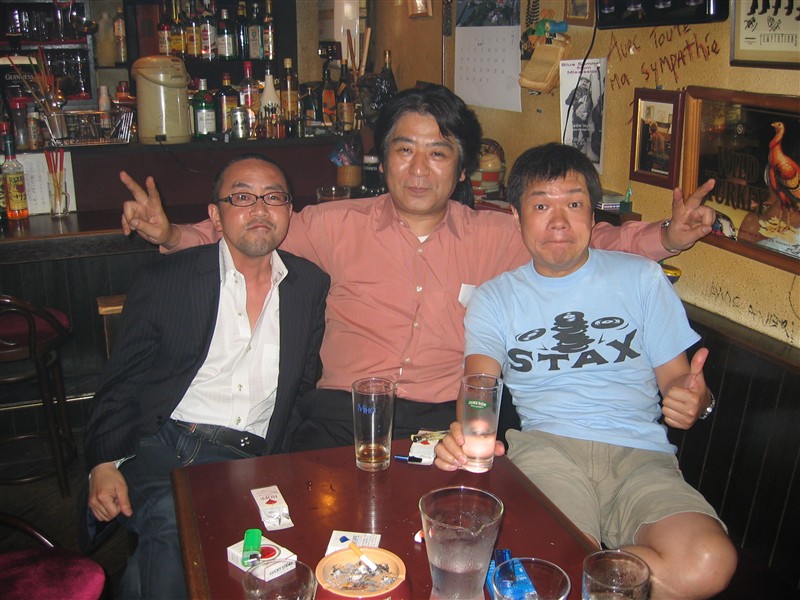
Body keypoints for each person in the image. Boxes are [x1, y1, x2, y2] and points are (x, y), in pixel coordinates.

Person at [119, 84, 716, 451]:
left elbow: (584, 238)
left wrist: (667, 237)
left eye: (438, 152)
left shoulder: (496, 233)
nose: (420, 169)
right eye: (404, 150)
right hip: (341, 413)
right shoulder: (333, 224)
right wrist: (172, 235)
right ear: (383, 161)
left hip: (443, 422)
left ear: (461, 167)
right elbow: (255, 228)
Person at [434, 143, 737, 599]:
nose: (559, 222)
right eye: (541, 206)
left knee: (708, 561)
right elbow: (480, 383)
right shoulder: (495, 298)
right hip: (548, 451)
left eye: (574, 205)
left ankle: (578, 570)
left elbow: (680, 380)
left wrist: (696, 398)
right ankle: (579, 569)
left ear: (594, 215)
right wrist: (471, 430)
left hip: (640, 456)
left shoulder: (641, 278)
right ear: (516, 217)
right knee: (554, 562)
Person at [84, 154, 330, 599]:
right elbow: (121, 381)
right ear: (215, 216)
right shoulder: (168, 278)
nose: (260, 209)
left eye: (274, 197)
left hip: (245, 456)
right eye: (242, 197)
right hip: (162, 443)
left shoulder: (309, 284)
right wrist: (103, 463)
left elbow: (302, 385)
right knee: (174, 517)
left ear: (289, 211)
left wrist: (284, 464)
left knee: (173, 537)